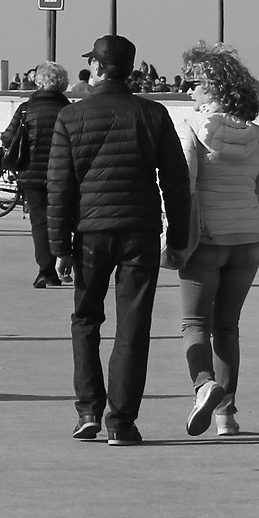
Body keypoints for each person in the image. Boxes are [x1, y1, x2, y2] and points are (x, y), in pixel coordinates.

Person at [49, 34, 191, 446]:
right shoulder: (152, 114)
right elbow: (176, 182)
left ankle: (89, 410)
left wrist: (58, 247)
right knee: (133, 326)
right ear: (129, 71)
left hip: (90, 233)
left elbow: (60, 186)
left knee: (85, 319)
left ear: (95, 68)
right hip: (141, 231)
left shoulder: (71, 117)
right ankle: (122, 422)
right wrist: (178, 237)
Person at [174, 43, 259, 438]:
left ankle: (204, 384)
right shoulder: (256, 135)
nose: (187, 92)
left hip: (206, 239)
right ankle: (226, 416)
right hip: (247, 242)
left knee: (194, 322)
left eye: (194, 85)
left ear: (213, 89)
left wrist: (170, 237)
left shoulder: (191, 129)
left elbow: (181, 187)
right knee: (228, 325)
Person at [0, 62, 72, 286]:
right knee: (64, 220)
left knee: (39, 222)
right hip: (63, 174)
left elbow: (8, 137)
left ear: (39, 82)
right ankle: (66, 264)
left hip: (31, 174)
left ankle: (45, 271)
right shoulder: (69, 110)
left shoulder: (25, 109)